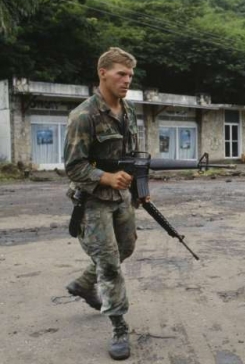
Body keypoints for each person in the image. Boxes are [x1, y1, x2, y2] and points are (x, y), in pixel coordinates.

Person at [64, 47, 141, 361]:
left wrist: (140, 189)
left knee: (126, 247)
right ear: (103, 73)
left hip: (122, 198)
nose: (127, 80)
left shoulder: (128, 111)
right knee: (109, 264)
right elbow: (73, 166)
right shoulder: (84, 115)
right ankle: (119, 326)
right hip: (93, 201)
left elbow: (132, 157)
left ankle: (83, 283)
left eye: (130, 75)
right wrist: (106, 178)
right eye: (121, 74)